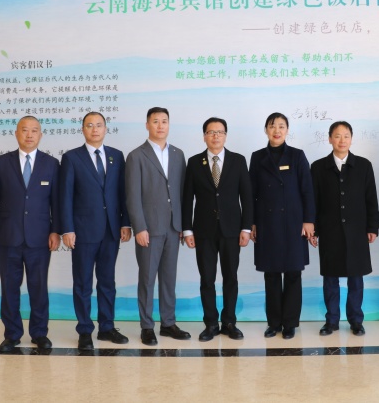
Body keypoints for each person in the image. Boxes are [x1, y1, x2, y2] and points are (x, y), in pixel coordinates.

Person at [0, 115, 60, 353]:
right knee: (9, 287)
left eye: (34, 130)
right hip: (8, 236)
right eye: (24, 130)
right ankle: (12, 334)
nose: (29, 135)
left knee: (39, 287)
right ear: (16, 134)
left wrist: (56, 230)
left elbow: (57, 203)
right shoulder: (2, 162)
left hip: (40, 238)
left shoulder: (51, 164)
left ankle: (39, 333)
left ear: (40, 135)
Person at [59, 112, 131, 351]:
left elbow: (122, 192)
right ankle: (84, 330)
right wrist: (67, 229)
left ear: (105, 128)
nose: (95, 129)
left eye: (99, 125)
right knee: (82, 283)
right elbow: (65, 196)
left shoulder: (116, 156)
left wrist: (125, 223)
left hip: (111, 230)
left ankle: (107, 327)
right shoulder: (71, 158)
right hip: (82, 231)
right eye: (89, 125)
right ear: (83, 129)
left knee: (107, 281)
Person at [183, 117, 253, 341]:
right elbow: (187, 199)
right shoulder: (194, 162)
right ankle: (211, 324)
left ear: (226, 135)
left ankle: (229, 322)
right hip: (203, 231)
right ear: (204, 136)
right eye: (211, 132)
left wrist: (246, 228)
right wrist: (187, 230)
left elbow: (247, 197)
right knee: (207, 279)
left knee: (231, 277)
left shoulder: (238, 160)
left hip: (232, 230)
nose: (215, 136)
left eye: (220, 132)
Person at [126, 107, 191, 345]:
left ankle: (168, 323)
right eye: (155, 121)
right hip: (149, 229)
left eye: (164, 121)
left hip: (173, 227)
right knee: (147, 279)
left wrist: (182, 225)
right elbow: (132, 196)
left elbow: (182, 192)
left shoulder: (178, 154)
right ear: (147, 125)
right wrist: (139, 227)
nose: (160, 126)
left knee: (168, 278)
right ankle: (146, 326)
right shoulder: (136, 156)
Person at [249, 112, 316, 339]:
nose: (276, 130)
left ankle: (290, 323)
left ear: (287, 130)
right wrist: (252, 223)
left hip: (294, 224)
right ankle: (274, 323)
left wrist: (309, 221)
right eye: (272, 126)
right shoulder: (257, 157)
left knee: (293, 273)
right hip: (267, 224)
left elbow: (307, 190)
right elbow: (251, 194)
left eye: (281, 126)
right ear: (266, 130)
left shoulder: (297, 155)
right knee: (271, 274)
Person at [311, 121, 379, 337]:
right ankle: (331, 321)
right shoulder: (318, 167)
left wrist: (372, 227)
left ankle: (356, 321)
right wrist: (314, 229)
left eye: (346, 136)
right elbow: (313, 201)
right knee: (330, 278)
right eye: (337, 136)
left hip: (357, 230)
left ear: (351, 139)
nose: (342, 140)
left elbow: (371, 199)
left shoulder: (364, 165)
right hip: (329, 230)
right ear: (329, 139)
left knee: (355, 278)